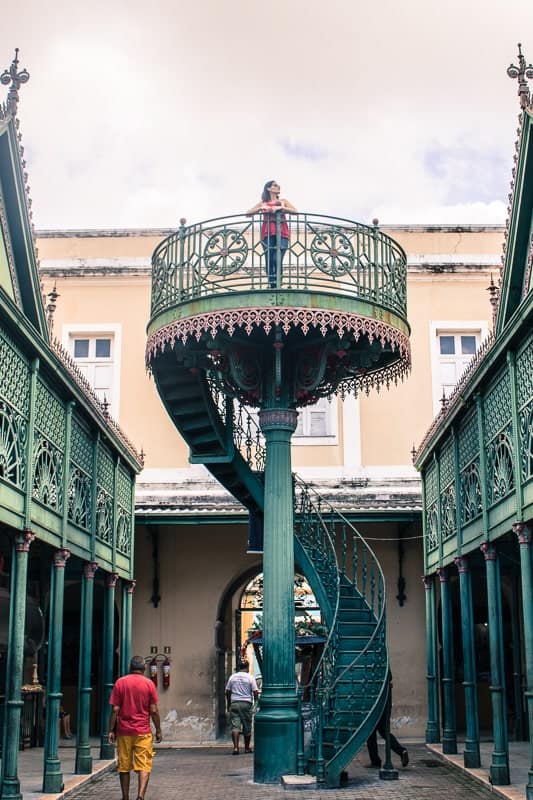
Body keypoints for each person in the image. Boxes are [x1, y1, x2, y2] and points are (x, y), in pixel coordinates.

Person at [108, 655, 162, 800]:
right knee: (144, 764)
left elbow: (115, 710)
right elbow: (154, 710)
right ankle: (140, 796)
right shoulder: (149, 684)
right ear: (144, 668)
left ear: (130, 668)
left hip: (124, 732)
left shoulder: (120, 683)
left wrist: (111, 730)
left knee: (124, 766)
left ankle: (125, 797)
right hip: (143, 731)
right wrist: (158, 730)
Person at [247, 180, 297, 288]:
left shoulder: (283, 201)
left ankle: (278, 281)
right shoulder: (263, 203)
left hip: (282, 232)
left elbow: (295, 211)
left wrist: (281, 208)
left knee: (277, 258)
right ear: (268, 188)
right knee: (269, 259)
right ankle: (272, 284)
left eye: (278, 185)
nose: (278, 186)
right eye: (275, 185)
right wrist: (261, 208)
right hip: (267, 232)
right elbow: (248, 213)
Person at [366, 670, 409, 768]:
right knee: (384, 732)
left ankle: (375, 761)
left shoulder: (373, 676)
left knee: (371, 735)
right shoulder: (383, 675)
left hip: (376, 705)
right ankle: (401, 751)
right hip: (384, 706)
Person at [225, 659, 259, 755]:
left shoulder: (232, 677)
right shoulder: (250, 677)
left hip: (235, 704)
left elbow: (227, 691)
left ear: (239, 667)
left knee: (235, 726)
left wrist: (229, 704)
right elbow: (255, 692)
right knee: (247, 726)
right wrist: (256, 702)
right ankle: (247, 748)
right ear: (247, 667)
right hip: (246, 704)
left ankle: (236, 748)